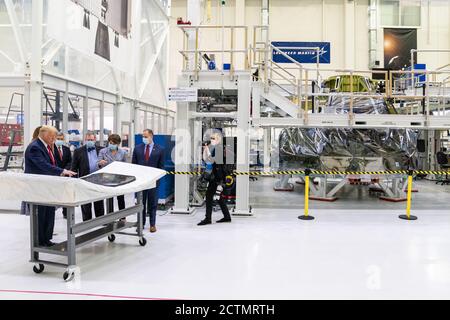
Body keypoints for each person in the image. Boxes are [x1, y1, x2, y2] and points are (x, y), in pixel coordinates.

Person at [24, 126, 76, 246]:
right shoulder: (35, 147)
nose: (54, 139)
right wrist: (62, 171)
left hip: (48, 186)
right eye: (52, 136)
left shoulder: (47, 146)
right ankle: (40, 241)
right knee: (41, 215)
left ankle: (46, 239)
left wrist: (61, 172)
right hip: (38, 187)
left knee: (49, 212)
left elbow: (53, 163)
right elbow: (43, 165)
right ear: (45, 135)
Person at [132, 129, 164, 233]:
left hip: (153, 182)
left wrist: (156, 179)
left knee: (152, 203)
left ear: (151, 136)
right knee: (141, 203)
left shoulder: (160, 149)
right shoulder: (137, 149)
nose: (144, 138)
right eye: (143, 136)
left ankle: (152, 224)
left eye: (146, 136)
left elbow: (161, 167)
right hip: (141, 182)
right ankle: (141, 224)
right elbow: (134, 165)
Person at [198, 132, 232, 226]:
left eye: (213, 138)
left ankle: (208, 218)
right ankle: (227, 216)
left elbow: (211, 161)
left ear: (218, 139)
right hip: (217, 176)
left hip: (217, 177)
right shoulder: (217, 148)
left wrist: (206, 150)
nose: (212, 140)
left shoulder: (219, 149)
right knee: (219, 197)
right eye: (211, 138)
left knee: (209, 196)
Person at [71, 131, 105, 222]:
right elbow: (74, 168)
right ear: (85, 140)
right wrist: (75, 182)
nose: (89, 141)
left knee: (99, 202)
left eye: (91, 139)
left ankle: (100, 221)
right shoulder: (78, 151)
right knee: (86, 203)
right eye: (88, 139)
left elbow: (107, 165)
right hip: (84, 180)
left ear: (95, 139)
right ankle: (87, 222)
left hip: (99, 180)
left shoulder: (102, 150)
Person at [98, 134, 128, 215]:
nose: (111, 145)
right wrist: (100, 163)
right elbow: (98, 163)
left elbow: (126, 166)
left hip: (119, 179)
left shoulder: (123, 153)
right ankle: (109, 216)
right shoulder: (103, 151)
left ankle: (123, 216)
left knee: (120, 198)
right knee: (109, 198)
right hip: (106, 178)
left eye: (114, 143)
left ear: (118, 144)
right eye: (110, 142)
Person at [55, 132, 73, 219]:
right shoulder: (51, 149)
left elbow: (70, 161)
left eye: (61, 139)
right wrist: (59, 171)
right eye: (58, 138)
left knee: (66, 195)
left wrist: (65, 171)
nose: (60, 140)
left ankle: (65, 213)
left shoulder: (66, 149)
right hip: (55, 175)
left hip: (65, 175)